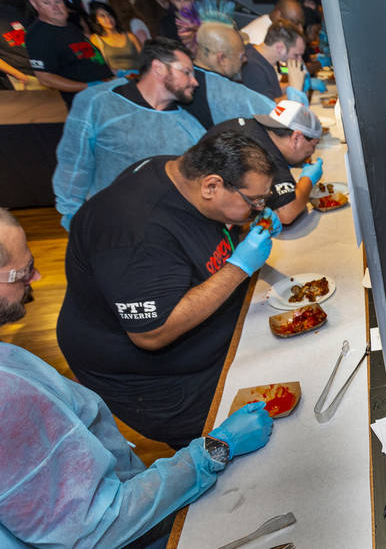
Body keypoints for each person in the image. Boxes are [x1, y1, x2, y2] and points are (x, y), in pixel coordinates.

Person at [0, 209, 275, 547]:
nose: (38, 276)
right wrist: (217, 448)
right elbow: (99, 528)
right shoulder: (8, 397)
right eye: (23, 272)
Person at [57, 131, 279, 449]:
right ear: (212, 186)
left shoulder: (175, 172)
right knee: (229, 451)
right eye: (253, 200)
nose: (258, 207)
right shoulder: (136, 233)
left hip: (199, 346)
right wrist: (239, 268)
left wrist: (244, 224)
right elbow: (152, 334)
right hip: (154, 381)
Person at [53, 38, 206, 229]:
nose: (195, 82)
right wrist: (75, 221)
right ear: (158, 68)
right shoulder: (99, 103)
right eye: (187, 72)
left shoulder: (191, 129)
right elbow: (74, 166)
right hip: (105, 226)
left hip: (161, 234)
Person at [203, 100, 324, 225]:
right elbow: (286, 213)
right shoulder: (262, 153)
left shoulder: (257, 131)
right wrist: (308, 179)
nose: (312, 152)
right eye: (313, 145)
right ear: (296, 138)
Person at [25, 0, 112, 105]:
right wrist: (87, 86)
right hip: (87, 102)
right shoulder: (38, 35)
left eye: (58, 2)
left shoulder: (69, 26)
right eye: (46, 3)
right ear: (35, 5)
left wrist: (113, 72)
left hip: (105, 93)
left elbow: (87, 58)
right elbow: (45, 78)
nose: (56, 7)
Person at [181, 21, 276, 130]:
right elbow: (276, 116)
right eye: (241, 56)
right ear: (222, 59)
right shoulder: (230, 93)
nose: (245, 60)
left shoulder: (181, 80)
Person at [241, 20, 307, 102]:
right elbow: (268, 109)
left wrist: (294, 85)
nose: (299, 60)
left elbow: (271, 90)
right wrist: (295, 91)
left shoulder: (263, 59)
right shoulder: (253, 68)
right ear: (280, 48)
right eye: (296, 55)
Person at [87, 1, 142, 75]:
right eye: (102, 16)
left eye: (109, 15)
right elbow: (98, 64)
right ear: (97, 20)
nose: (108, 18)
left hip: (139, 75)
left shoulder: (130, 36)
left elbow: (143, 58)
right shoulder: (96, 39)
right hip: (120, 80)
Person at [240, 0, 305, 45]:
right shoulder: (261, 36)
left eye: (302, 24)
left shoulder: (269, 25)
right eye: (295, 23)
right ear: (278, 15)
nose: (301, 29)